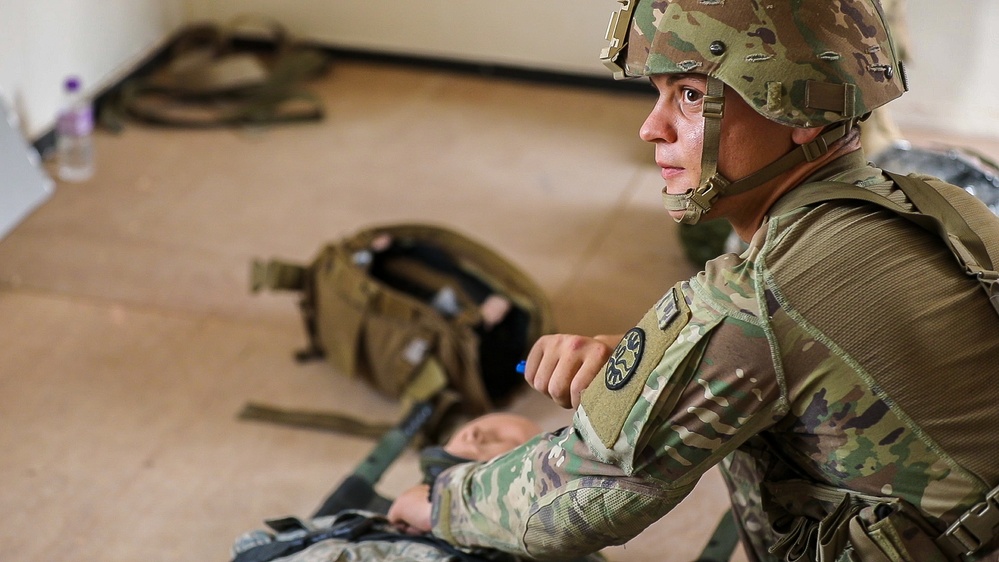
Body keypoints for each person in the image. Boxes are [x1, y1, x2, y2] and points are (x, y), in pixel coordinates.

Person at [388, 2, 999, 561]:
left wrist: (443, 499)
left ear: (801, 113)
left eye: (687, 95)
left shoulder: (760, 296)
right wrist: (651, 369)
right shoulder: (937, 204)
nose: (652, 128)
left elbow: (575, 503)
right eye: (657, 95)